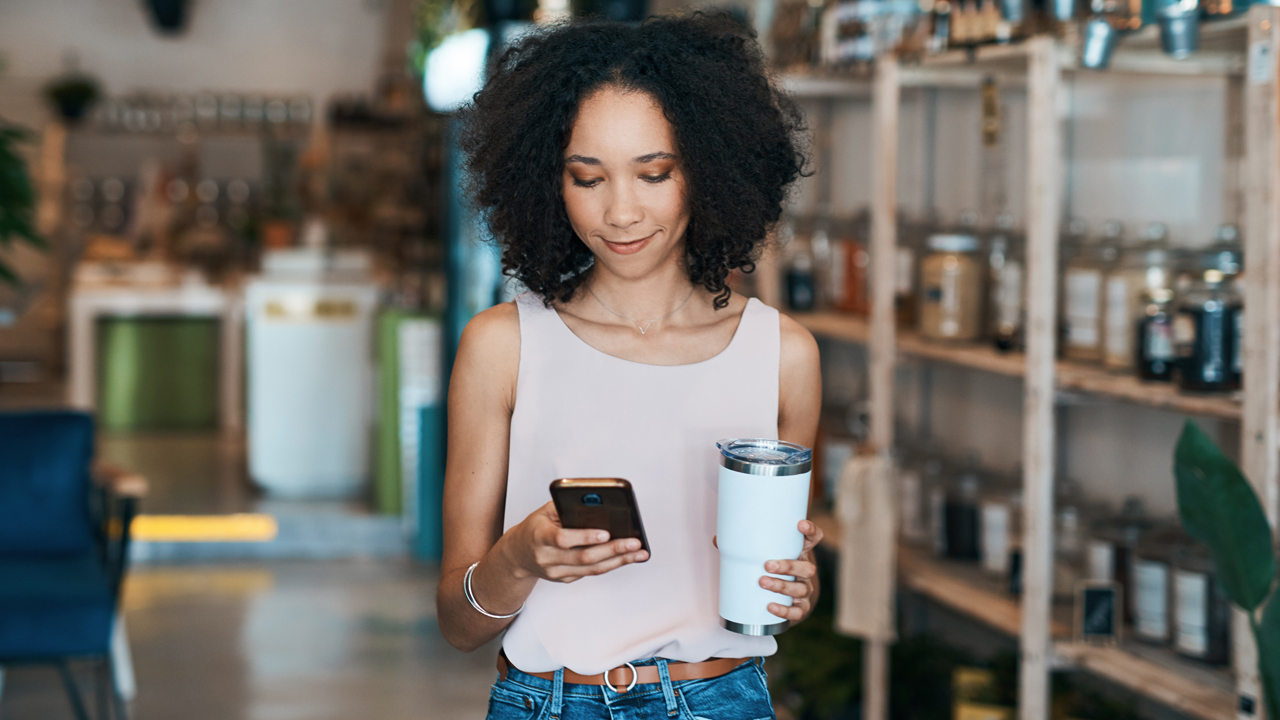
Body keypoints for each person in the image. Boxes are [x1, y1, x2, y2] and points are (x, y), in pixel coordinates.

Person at [439, 13, 822, 719]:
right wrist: (521, 555)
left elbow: (781, 578)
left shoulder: (782, 355)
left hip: (722, 700)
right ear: (548, 182)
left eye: (653, 174)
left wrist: (798, 588)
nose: (620, 212)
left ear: (707, 170)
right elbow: (460, 624)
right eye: (588, 178)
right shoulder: (503, 346)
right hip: (547, 702)